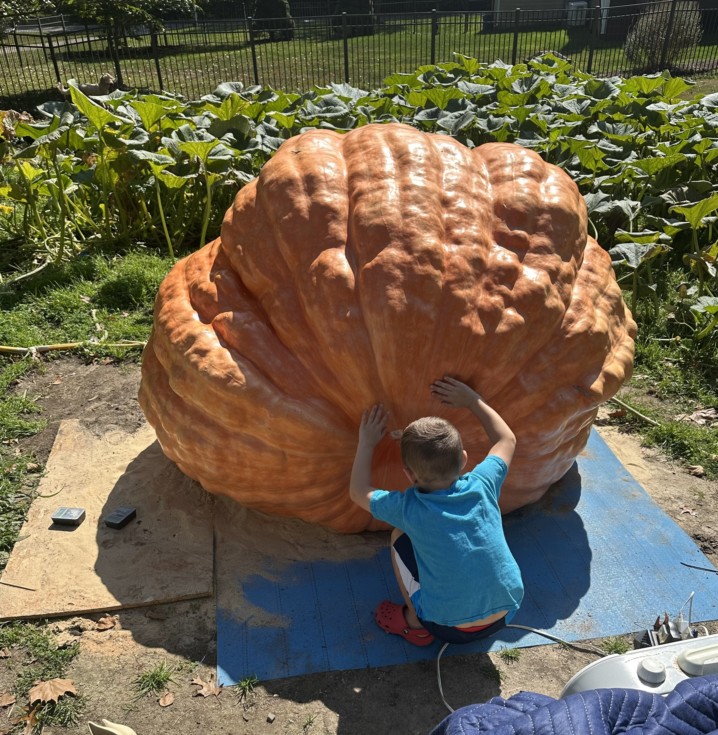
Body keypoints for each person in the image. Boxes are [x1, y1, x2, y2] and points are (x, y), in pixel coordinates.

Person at [349, 376, 524, 646]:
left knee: (399, 536)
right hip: (506, 613)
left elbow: (358, 491)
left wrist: (366, 443)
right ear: (463, 459)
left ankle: (414, 623)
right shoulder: (484, 483)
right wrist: (472, 400)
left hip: (446, 627)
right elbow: (507, 439)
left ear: (409, 474)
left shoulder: (408, 508)